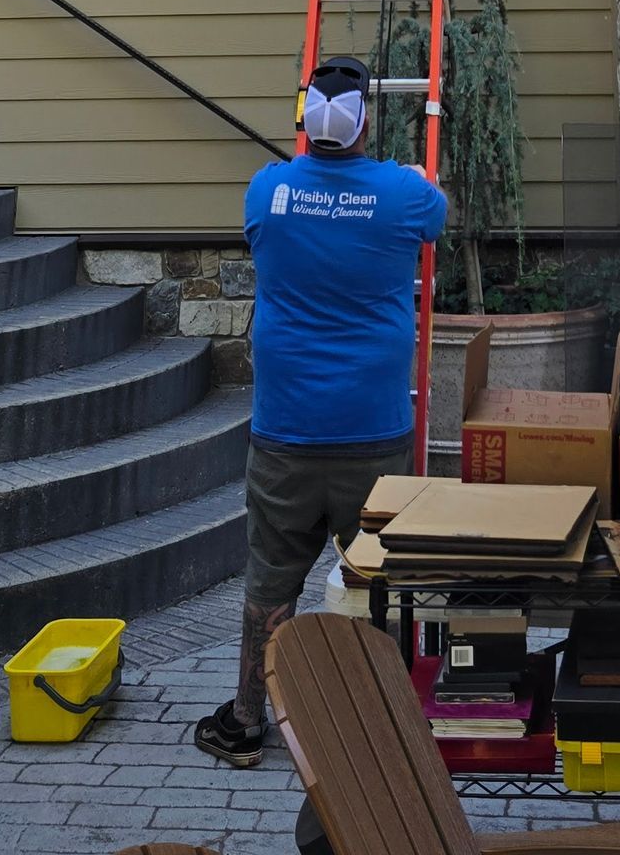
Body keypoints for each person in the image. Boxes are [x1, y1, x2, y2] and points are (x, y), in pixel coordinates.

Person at [194, 55, 447, 769]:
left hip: (286, 432)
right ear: (365, 122)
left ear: (304, 124)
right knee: (380, 579)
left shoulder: (267, 191)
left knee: (271, 575)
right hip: (374, 431)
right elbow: (438, 214)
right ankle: (386, 722)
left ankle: (247, 719)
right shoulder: (404, 195)